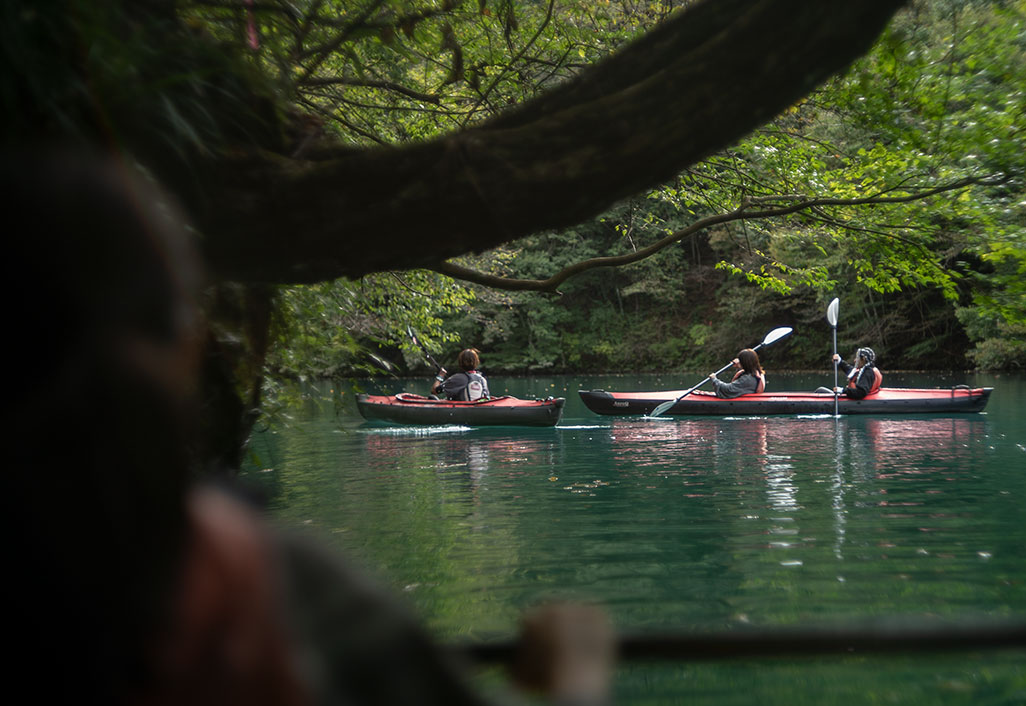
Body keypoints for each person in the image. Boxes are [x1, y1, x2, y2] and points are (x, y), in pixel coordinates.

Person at [6, 150, 611, 706]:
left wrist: (433, 394)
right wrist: (576, 682)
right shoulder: (295, 592)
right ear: (190, 346)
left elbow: (447, 395)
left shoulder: (453, 386)